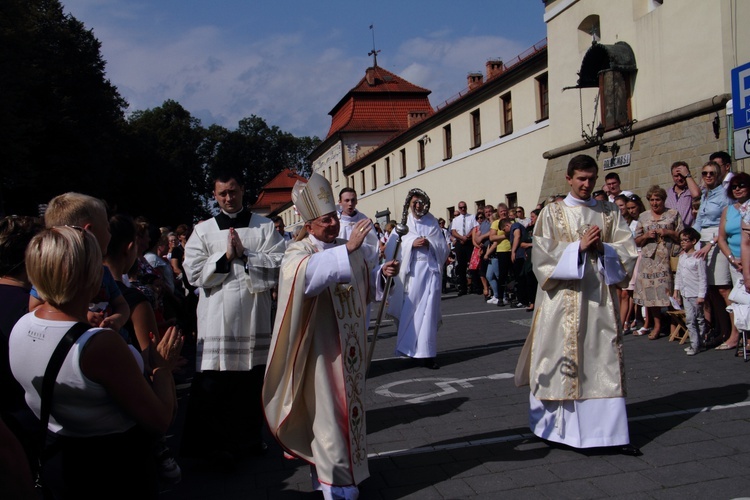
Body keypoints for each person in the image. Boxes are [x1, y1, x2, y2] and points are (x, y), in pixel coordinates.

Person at [10, 226, 182, 498]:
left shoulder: (22, 324)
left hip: (61, 459)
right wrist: (163, 367)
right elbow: (160, 419)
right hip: (113, 468)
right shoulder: (98, 344)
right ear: (89, 277)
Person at [263, 173, 398, 500]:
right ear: (309, 225)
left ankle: (340, 478)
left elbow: (363, 288)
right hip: (319, 355)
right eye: (327, 221)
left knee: (345, 418)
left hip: (349, 351)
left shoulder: (343, 247)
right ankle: (337, 487)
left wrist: (381, 274)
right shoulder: (298, 251)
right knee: (327, 420)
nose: (334, 225)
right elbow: (302, 280)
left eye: (335, 219)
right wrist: (346, 251)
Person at [515, 154, 638, 454]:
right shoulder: (552, 212)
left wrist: (602, 248)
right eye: (581, 179)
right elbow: (542, 256)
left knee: (601, 361)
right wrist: (577, 249)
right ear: (569, 178)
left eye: (591, 179)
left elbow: (628, 252)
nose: (586, 184)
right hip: (561, 302)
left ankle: (608, 434)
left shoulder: (609, 212)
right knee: (557, 359)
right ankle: (552, 429)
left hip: (598, 304)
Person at [181, 170, 285, 461]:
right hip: (217, 319)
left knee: (250, 383)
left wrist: (246, 255)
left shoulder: (264, 227)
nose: (228, 198)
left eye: (233, 191)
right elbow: (193, 274)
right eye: (222, 193)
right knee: (216, 383)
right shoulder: (203, 230)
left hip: (253, 316)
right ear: (214, 195)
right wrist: (225, 257)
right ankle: (217, 445)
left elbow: (280, 264)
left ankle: (250, 439)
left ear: (243, 190)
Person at [386, 189, 449, 370]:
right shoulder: (404, 224)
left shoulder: (432, 222)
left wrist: (430, 243)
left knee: (428, 313)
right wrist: (411, 244)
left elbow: (443, 248)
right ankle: (409, 348)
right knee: (411, 312)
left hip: (430, 273)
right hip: (412, 274)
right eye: (415, 202)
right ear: (409, 204)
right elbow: (391, 248)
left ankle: (428, 354)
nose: (418, 206)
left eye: (421, 202)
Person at [633, 185, 683, 340]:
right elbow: (636, 240)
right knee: (651, 295)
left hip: (667, 258)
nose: (655, 203)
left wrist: (668, 232)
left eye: (658, 199)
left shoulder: (673, 214)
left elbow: (682, 235)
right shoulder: (643, 217)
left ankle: (674, 324)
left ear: (663, 199)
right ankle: (657, 325)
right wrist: (647, 235)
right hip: (649, 260)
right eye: (652, 200)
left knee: (669, 291)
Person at [693, 160, 732, 348]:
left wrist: (710, 243)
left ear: (718, 175)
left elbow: (726, 222)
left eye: (711, 173)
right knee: (712, 290)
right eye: (704, 173)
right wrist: (690, 240)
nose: (707, 176)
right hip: (703, 240)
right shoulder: (705, 195)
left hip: (718, 239)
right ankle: (723, 331)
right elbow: (699, 220)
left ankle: (735, 333)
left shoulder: (725, 195)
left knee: (724, 287)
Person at [715, 172, 750, 351]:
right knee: (738, 300)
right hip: (734, 260)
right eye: (734, 186)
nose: (737, 189)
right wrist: (731, 258)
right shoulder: (728, 210)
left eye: (741, 185)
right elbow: (721, 238)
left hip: (749, 259)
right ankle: (736, 336)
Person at [673, 227, 708, 356]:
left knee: (699, 318)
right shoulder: (682, 257)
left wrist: (701, 295)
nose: (682, 243)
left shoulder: (698, 258)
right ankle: (694, 344)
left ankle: (701, 341)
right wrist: (676, 291)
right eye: (681, 240)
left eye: (685, 240)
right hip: (685, 293)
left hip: (695, 293)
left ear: (693, 241)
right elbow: (679, 275)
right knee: (690, 319)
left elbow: (703, 277)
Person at [337, 187, 379, 267]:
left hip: (360, 265)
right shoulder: (335, 221)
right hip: (342, 264)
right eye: (347, 200)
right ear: (340, 202)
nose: (350, 203)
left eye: (353, 200)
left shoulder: (364, 221)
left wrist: (357, 247)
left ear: (356, 201)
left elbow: (373, 246)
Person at [450, 201, 478, 296]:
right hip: (460, 243)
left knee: (472, 265)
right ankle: (463, 288)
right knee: (461, 266)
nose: (463, 209)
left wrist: (466, 237)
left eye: (464, 207)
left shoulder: (472, 217)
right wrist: (461, 238)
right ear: (458, 208)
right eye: (461, 207)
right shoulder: (456, 220)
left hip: (469, 242)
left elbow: (474, 228)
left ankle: (476, 286)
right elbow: (453, 231)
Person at [666, 161, 698, 227]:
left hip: (688, 232)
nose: (679, 178)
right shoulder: (667, 193)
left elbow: (696, 194)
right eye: (676, 176)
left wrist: (687, 175)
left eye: (681, 175)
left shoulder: (691, 190)